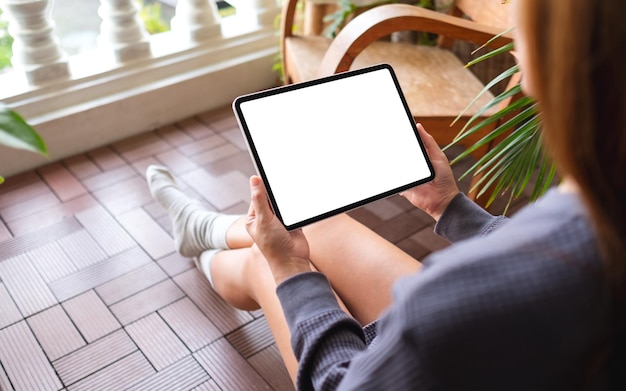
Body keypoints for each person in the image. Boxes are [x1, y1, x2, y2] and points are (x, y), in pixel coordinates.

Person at [146, 0, 625, 388]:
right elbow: (545, 256)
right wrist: (449, 206)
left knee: (271, 263)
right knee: (313, 224)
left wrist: (291, 270)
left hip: (475, 352)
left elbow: (338, 383)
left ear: (562, 57)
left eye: (518, 33)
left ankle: (202, 242)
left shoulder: (457, 297)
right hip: (522, 345)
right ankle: (205, 230)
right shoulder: (597, 224)